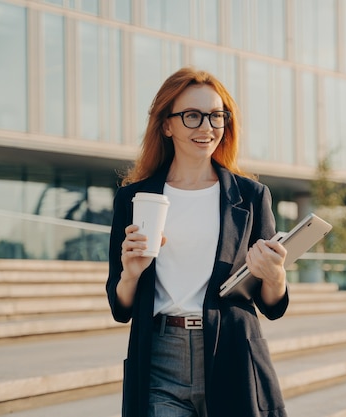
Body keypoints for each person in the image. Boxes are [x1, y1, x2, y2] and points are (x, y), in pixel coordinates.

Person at [106, 67, 290, 417]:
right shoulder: (135, 198)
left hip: (232, 354)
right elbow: (121, 307)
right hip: (160, 357)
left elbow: (273, 305)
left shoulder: (250, 196)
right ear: (166, 125)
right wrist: (130, 274)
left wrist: (275, 275)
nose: (206, 127)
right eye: (192, 116)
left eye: (216, 116)